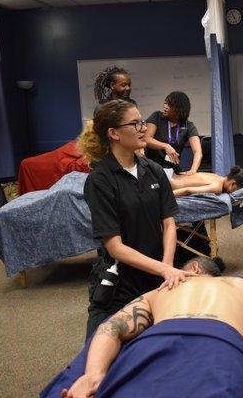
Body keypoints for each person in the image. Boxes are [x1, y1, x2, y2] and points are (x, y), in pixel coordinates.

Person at [59, 257, 243, 398]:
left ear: (193, 268)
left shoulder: (161, 291)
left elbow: (111, 327)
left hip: (151, 347)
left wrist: (93, 374)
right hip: (220, 351)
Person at [79, 99, 196, 339]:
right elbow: (115, 248)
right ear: (113, 133)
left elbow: (169, 224)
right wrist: (165, 269)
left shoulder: (153, 170)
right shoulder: (100, 180)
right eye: (135, 123)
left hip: (157, 277)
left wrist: (166, 267)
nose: (144, 128)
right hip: (119, 285)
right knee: (97, 353)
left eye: (142, 121)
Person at [145, 91, 202, 175]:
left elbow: (198, 152)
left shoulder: (188, 126)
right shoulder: (157, 116)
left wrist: (193, 171)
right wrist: (166, 146)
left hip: (172, 170)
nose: (165, 107)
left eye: (169, 105)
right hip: (151, 168)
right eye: (165, 103)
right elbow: (146, 139)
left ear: (179, 108)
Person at [169, 165, 243, 197]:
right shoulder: (217, 188)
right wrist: (165, 197)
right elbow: (188, 190)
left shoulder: (216, 176)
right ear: (233, 183)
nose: (233, 192)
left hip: (169, 173)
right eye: (236, 189)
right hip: (167, 182)